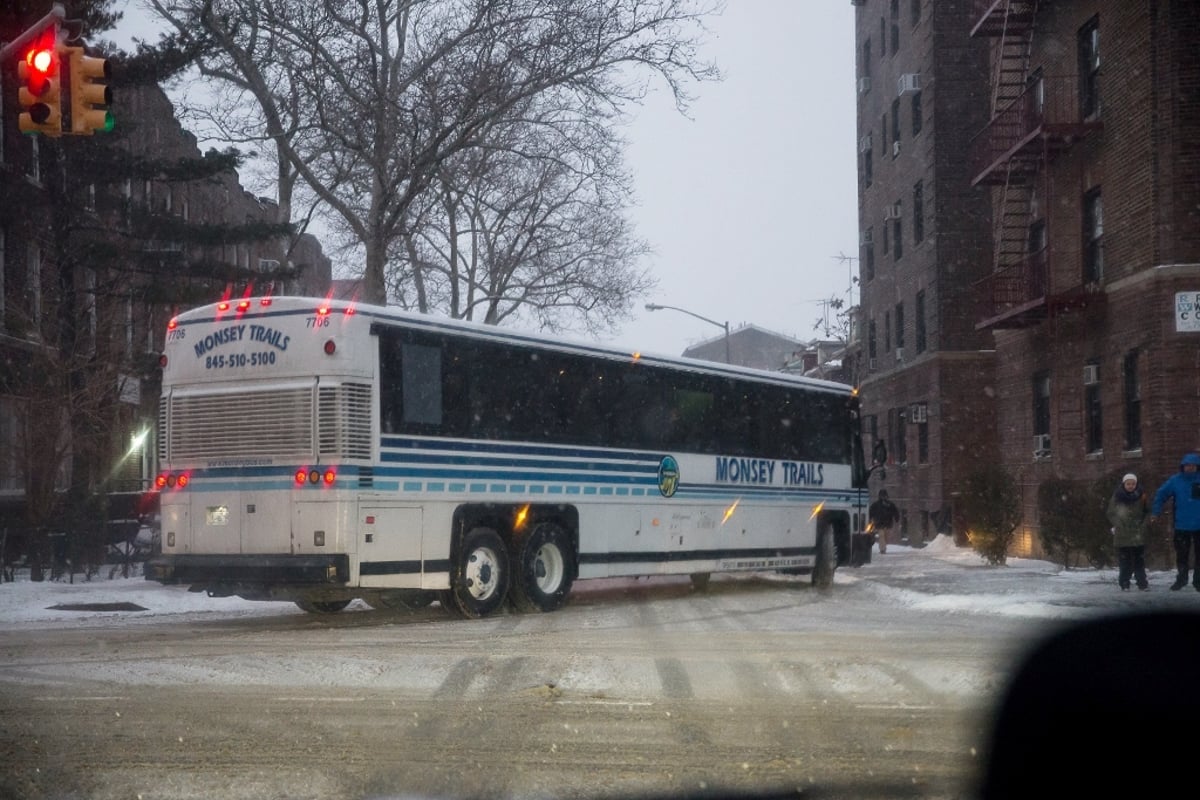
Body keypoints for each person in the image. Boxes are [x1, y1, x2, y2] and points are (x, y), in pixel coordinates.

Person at [1151, 452, 1200, 591]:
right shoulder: (1176, 481)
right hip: (1181, 525)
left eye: (1192, 466)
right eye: (1187, 466)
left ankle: (1198, 581)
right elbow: (1161, 494)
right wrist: (1156, 511)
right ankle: (1182, 579)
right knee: (1181, 555)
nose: (1189, 468)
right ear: (1182, 467)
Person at [1107, 473, 1149, 591]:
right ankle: (1124, 584)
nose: (1130, 486)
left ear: (1136, 484)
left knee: (1139, 561)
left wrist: (1143, 525)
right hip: (1122, 535)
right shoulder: (1117, 496)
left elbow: (1147, 512)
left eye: (1133, 484)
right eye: (1128, 484)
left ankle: (1142, 583)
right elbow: (1111, 513)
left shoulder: (1142, 496)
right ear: (1124, 484)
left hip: (1138, 534)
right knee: (1125, 562)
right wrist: (1119, 524)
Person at [868, 489, 899, 554]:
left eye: (884, 495)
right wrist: (870, 519)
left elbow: (895, 511)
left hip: (888, 524)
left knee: (886, 538)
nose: (883, 497)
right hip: (879, 524)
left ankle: (883, 546)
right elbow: (870, 512)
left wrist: (896, 518)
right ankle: (882, 549)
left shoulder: (890, 504)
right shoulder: (876, 505)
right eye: (882, 496)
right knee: (881, 536)